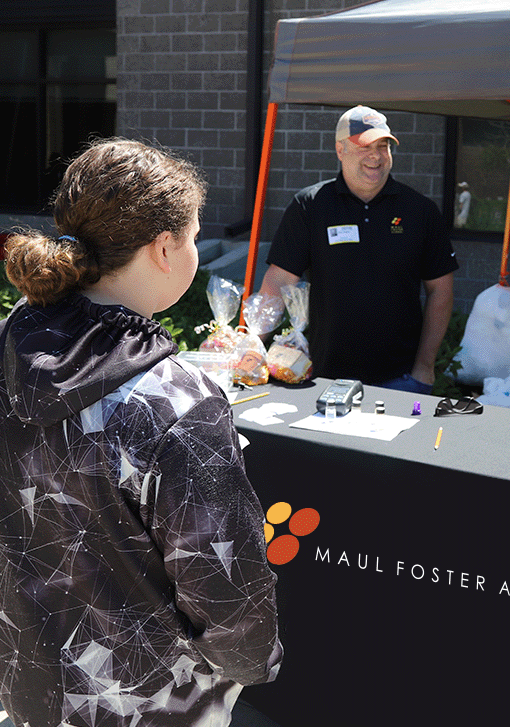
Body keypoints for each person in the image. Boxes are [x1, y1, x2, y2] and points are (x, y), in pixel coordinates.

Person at [0, 138, 281, 727]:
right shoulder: (177, 402)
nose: (197, 251)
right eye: (195, 236)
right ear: (163, 248)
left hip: (28, 683)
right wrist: (255, 664)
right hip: (151, 704)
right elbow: (228, 598)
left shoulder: (12, 344)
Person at [259, 105, 458, 394]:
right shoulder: (311, 206)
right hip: (322, 377)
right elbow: (279, 281)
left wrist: (424, 367)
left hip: (401, 380)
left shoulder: (420, 211)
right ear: (340, 150)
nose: (376, 156)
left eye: (384, 146)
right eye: (365, 146)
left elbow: (441, 289)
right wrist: (251, 342)